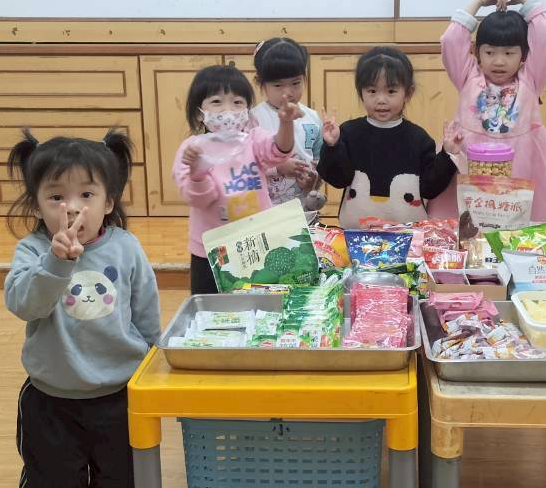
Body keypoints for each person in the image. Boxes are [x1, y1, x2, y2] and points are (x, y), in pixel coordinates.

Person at [4, 129, 161, 488]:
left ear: (108, 201)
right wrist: (56, 262)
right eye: (56, 196)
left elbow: (146, 312)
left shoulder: (126, 247)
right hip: (52, 399)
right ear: (37, 204)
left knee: (123, 483)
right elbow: (24, 304)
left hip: (120, 394)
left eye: (86, 195)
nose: (72, 207)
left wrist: (157, 363)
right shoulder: (32, 251)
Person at [428, 0, 546, 226]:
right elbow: (451, 42)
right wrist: (477, 3)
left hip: (521, 170)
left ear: (524, 54)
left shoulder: (531, 79)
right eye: (489, 52)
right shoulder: (467, 77)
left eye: (509, 53)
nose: (499, 61)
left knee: (517, 230)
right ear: (476, 52)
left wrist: (527, 2)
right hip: (469, 170)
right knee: (466, 229)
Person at [172, 64, 298, 294]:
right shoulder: (192, 150)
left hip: (257, 243)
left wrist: (286, 123)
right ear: (200, 112)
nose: (228, 110)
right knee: (210, 307)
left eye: (237, 102)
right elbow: (199, 199)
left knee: (258, 304)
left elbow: (279, 151)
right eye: (216, 102)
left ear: (247, 110)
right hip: (211, 251)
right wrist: (198, 173)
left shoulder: (253, 139)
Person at [318, 46, 462, 228]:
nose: (381, 100)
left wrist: (447, 155)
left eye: (391, 91)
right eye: (372, 91)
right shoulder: (348, 132)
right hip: (357, 233)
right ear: (361, 92)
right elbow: (338, 180)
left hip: (407, 236)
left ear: (408, 93)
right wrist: (332, 146)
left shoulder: (418, 139)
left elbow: (430, 188)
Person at [250, 36, 325, 212]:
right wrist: (277, 167)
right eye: (278, 86)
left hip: (302, 208)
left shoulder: (312, 118)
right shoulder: (254, 118)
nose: (288, 93)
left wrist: (313, 180)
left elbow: (319, 160)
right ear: (261, 84)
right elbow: (245, 165)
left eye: (296, 83)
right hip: (264, 211)